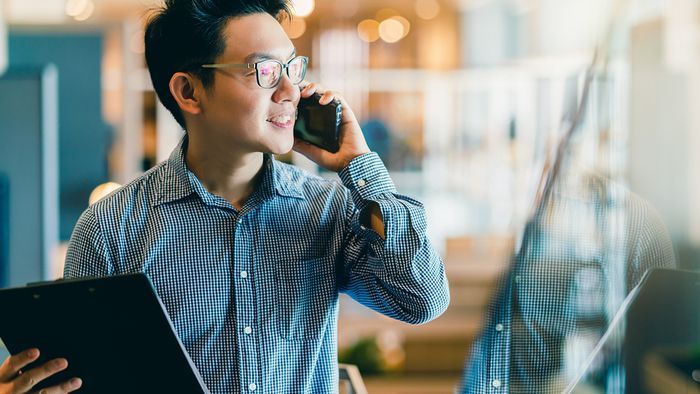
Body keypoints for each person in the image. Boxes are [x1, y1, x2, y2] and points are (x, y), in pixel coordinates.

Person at [0, 0, 450, 393]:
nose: (291, 91)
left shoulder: (326, 207)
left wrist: (361, 166)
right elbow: (88, 377)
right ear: (189, 92)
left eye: (293, 67)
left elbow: (421, 300)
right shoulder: (112, 227)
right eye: (266, 71)